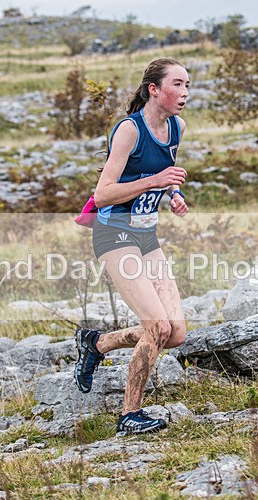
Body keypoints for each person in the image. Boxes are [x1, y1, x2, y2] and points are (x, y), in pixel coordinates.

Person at [74, 57, 190, 437]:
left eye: (188, 85)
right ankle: (130, 415)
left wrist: (172, 194)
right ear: (153, 89)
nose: (185, 93)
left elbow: (165, 176)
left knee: (174, 333)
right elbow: (103, 193)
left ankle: (98, 343)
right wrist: (152, 181)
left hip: (146, 233)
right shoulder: (129, 130)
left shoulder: (177, 127)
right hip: (114, 233)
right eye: (178, 84)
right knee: (155, 326)